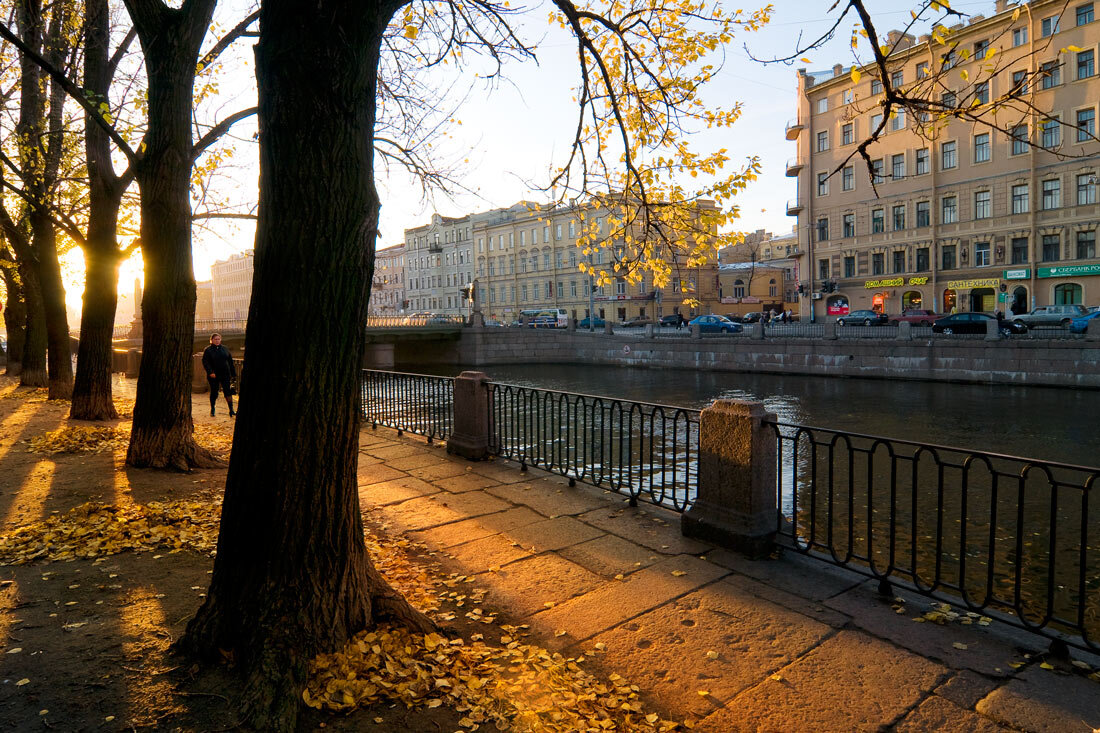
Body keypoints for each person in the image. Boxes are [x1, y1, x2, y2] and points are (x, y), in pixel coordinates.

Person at [202, 333, 236, 417]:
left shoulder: (225, 349)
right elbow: (205, 362)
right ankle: (212, 408)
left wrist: (233, 374)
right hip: (214, 375)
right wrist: (210, 372)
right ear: (211, 340)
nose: (217, 341)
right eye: (215, 339)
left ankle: (231, 410)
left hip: (225, 374)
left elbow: (230, 362)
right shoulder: (208, 350)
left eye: (218, 339)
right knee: (214, 392)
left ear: (220, 340)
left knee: (228, 392)